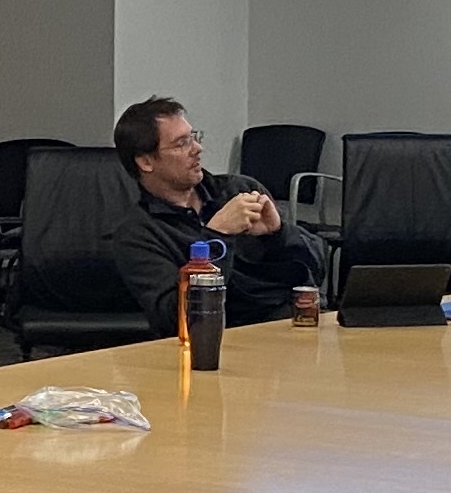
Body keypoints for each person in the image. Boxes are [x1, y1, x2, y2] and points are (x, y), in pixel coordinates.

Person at [106, 98, 316, 329]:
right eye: (181, 143)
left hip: (290, 323)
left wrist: (279, 233)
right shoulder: (138, 234)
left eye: (194, 137)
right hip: (222, 337)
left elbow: (315, 272)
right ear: (146, 162)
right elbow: (174, 319)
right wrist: (218, 237)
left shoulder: (240, 190)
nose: (197, 149)